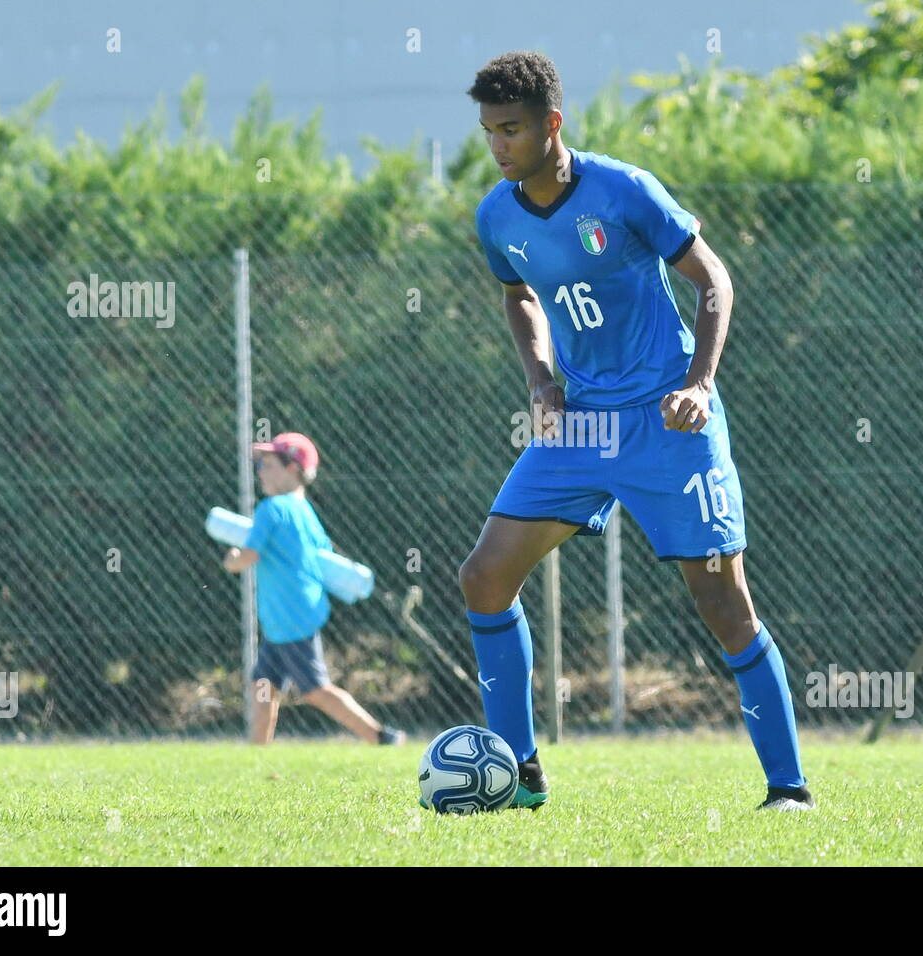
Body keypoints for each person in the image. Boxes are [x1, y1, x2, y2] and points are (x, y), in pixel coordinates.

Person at [460, 51, 811, 811]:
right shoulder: (498, 213)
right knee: (484, 578)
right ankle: (517, 778)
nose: (499, 147)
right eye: (490, 132)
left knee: (724, 606)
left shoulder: (624, 191)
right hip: (580, 426)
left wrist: (699, 384)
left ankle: (789, 788)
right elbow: (517, 295)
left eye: (512, 130)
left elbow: (712, 279)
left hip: (665, 421)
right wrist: (542, 383)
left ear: (553, 123)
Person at [223, 432, 405, 746]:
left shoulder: (271, 509)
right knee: (263, 683)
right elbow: (321, 554)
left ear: (292, 468)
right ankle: (257, 749)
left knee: (316, 690)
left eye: (267, 465)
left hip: (290, 617)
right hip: (292, 614)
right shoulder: (305, 510)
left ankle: (381, 736)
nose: (260, 472)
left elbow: (249, 555)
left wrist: (232, 561)